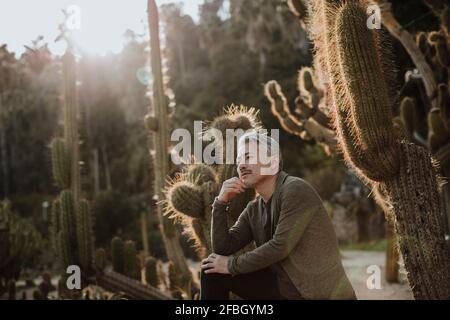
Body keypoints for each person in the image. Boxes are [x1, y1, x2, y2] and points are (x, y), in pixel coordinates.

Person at [200, 131, 356, 300]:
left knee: (221, 268)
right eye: (239, 161)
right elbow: (222, 248)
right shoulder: (254, 209)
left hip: (317, 294)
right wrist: (221, 202)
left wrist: (231, 265)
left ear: (272, 163)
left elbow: (280, 246)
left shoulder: (295, 189)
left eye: (248, 157)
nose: (241, 166)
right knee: (211, 270)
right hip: (286, 290)